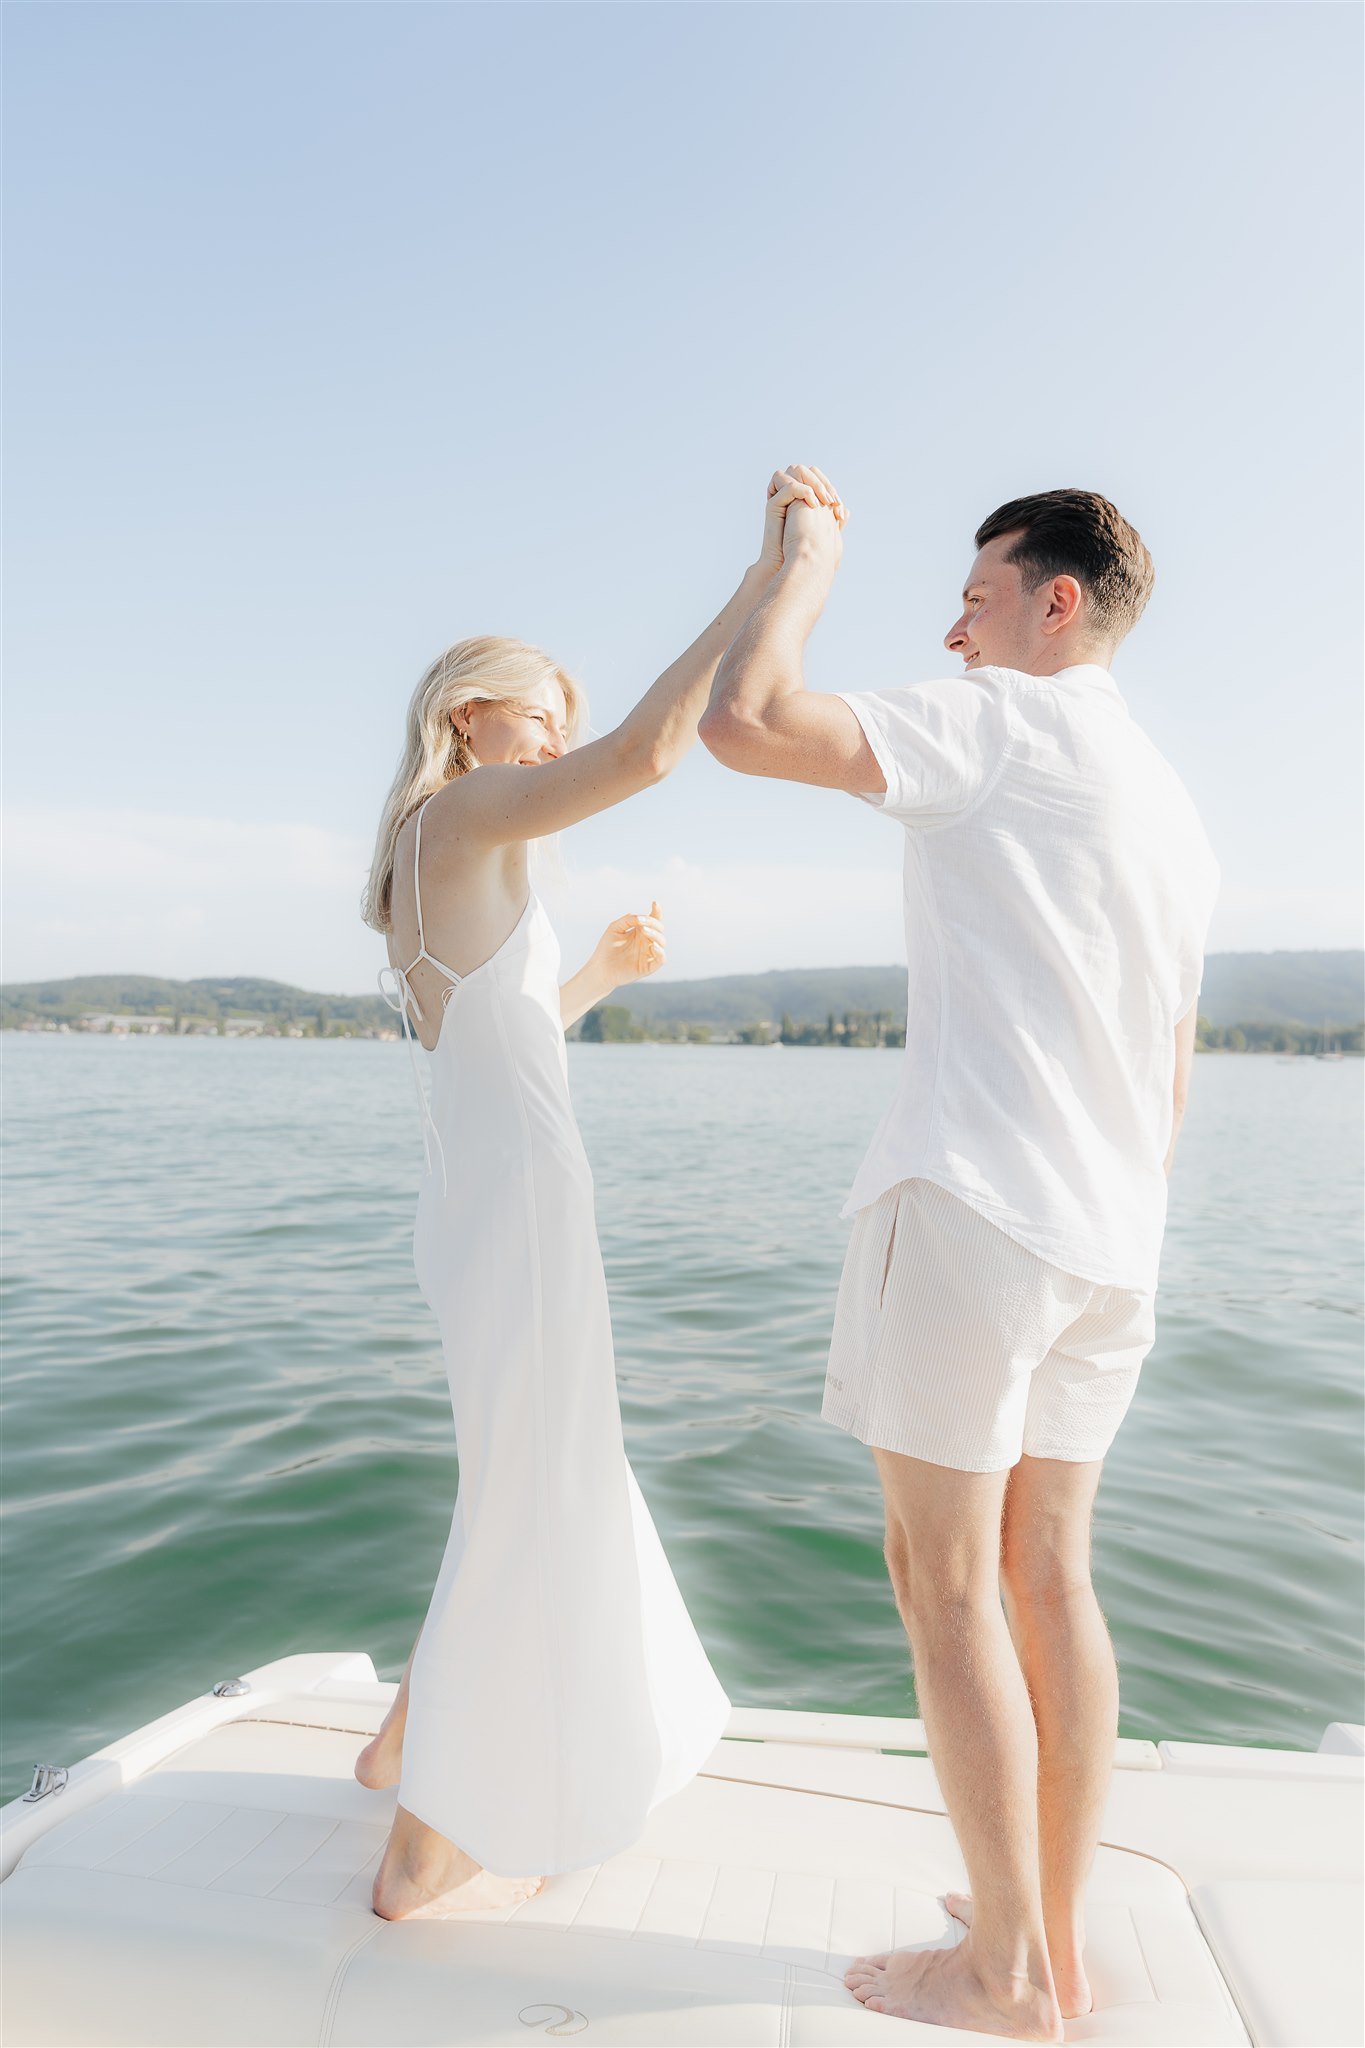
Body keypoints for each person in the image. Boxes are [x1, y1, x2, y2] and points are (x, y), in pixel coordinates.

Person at [700, 471, 1219, 2042]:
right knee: (1048, 1574)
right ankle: (1047, 1931)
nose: (954, 627)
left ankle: (1000, 1977)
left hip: (979, 1209)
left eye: (979, 594)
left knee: (941, 1583)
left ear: (1056, 599)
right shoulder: (1171, 806)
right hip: (1111, 1237)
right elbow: (1177, 1067)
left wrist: (800, 561)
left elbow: (745, 720)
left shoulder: (1004, 726)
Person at [353, 471, 835, 1922]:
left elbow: (495, 1048)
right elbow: (644, 753)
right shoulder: (474, 811)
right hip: (520, 1206)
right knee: (546, 1486)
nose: (549, 739)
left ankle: (406, 1733)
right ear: (468, 722)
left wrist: (600, 980)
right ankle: (439, 1825)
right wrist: (768, 584)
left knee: (527, 1473)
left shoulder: (425, 854)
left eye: (552, 720)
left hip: (485, 1199)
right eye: (533, 717)